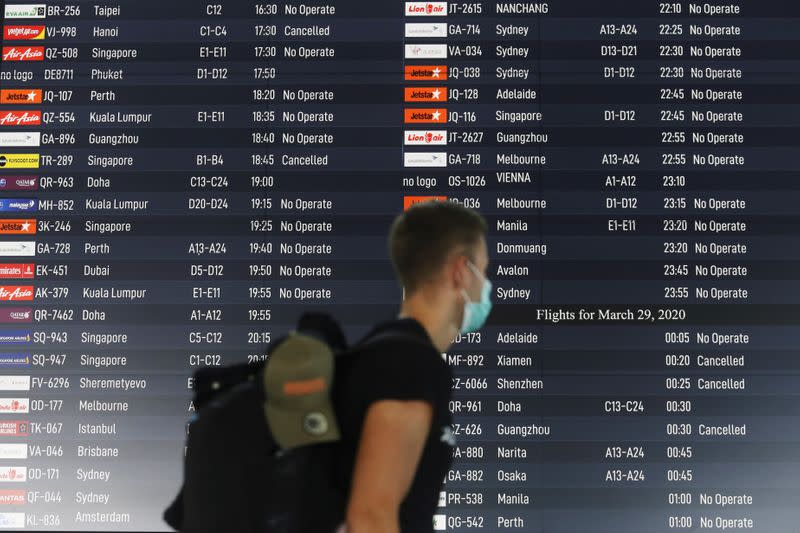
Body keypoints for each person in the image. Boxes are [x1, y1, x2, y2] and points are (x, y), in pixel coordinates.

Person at [332, 200, 492, 533]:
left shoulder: (385, 348)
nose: (486, 288)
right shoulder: (408, 364)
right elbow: (371, 516)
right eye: (484, 272)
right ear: (461, 272)